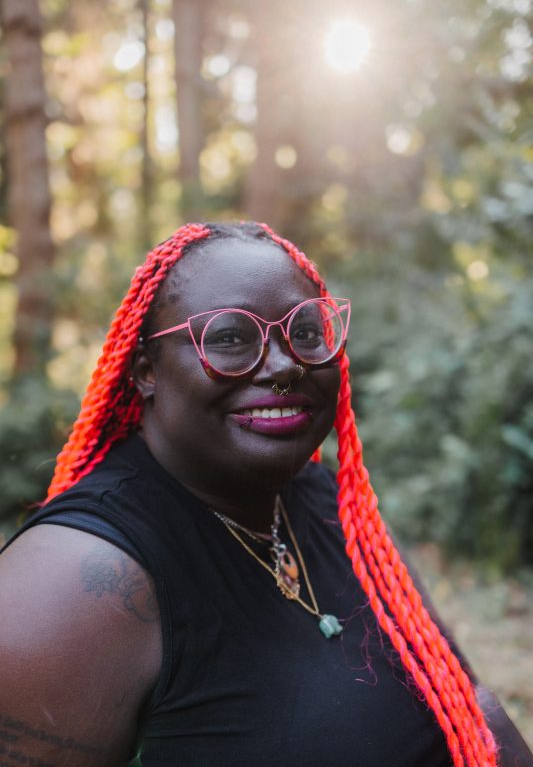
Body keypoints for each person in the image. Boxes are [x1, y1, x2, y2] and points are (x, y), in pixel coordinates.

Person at [0, 221, 531, 767]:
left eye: (305, 332)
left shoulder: (330, 504)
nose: (283, 367)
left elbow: (460, 693)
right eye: (229, 338)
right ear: (146, 370)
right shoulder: (74, 583)